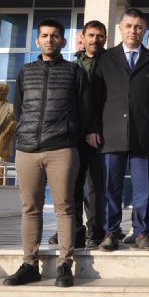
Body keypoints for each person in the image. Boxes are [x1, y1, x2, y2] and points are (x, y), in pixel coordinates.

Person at [2, 18, 90, 288]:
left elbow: (85, 110)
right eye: (44, 35)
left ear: (63, 41)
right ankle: (30, 264)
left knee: (65, 207)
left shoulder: (75, 72)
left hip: (61, 148)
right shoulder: (25, 71)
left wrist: (69, 134)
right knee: (30, 208)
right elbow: (19, 109)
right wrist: (26, 133)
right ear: (37, 40)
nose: (49, 40)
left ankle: (65, 264)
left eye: (54, 36)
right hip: (27, 149)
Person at [90, 8, 149, 252]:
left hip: (143, 134)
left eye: (138, 27)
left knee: (143, 188)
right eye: (129, 26)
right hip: (111, 133)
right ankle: (110, 232)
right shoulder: (105, 58)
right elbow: (95, 96)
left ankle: (142, 232)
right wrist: (93, 128)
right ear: (121, 28)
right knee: (110, 187)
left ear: (144, 31)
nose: (133, 31)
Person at [48, 20, 107, 248]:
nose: (95, 40)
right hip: (72, 134)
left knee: (94, 187)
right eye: (91, 35)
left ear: (105, 38)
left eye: (99, 36)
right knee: (71, 185)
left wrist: (93, 128)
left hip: (99, 134)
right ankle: (72, 230)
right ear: (83, 37)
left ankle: (95, 230)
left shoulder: (110, 63)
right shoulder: (73, 66)